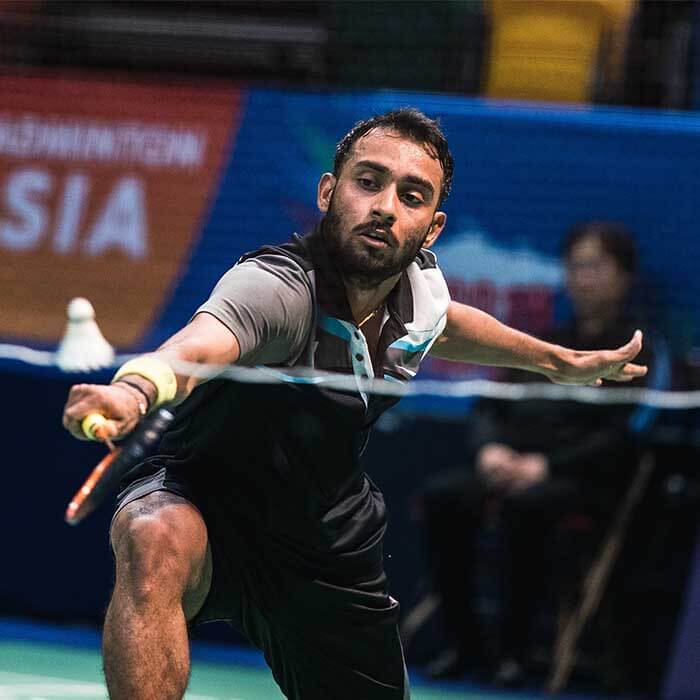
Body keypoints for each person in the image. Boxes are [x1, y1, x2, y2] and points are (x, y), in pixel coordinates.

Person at [62, 110, 647, 700]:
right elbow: (194, 347)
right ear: (327, 191)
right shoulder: (279, 289)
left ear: (432, 227)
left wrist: (555, 361)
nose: (387, 206)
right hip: (206, 507)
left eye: (411, 196)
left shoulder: (417, 295)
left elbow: (447, 325)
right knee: (151, 532)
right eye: (368, 182)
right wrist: (131, 390)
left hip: (326, 544)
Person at [421, 222, 667, 686]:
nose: (581, 278)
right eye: (575, 266)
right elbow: (489, 404)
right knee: (444, 497)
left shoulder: (639, 352)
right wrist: (491, 448)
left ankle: (516, 652)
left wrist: (548, 466)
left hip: (581, 482)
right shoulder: (547, 341)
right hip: (511, 465)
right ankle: (463, 645)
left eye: (594, 266)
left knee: (526, 507)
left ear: (624, 277)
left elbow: (627, 434)